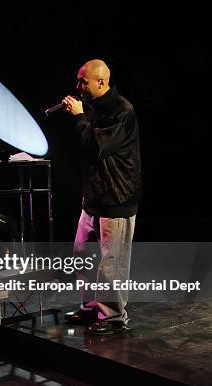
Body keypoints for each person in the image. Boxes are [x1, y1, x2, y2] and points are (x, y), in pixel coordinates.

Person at [61, 59, 142, 335]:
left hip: (116, 197)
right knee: (82, 254)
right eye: (78, 81)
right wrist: (82, 116)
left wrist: (79, 117)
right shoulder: (94, 108)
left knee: (111, 264)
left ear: (101, 82)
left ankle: (112, 317)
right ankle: (91, 307)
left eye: (83, 81)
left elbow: (96, 147)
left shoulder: (122, 111)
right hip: (94, 197)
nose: (78, 87)